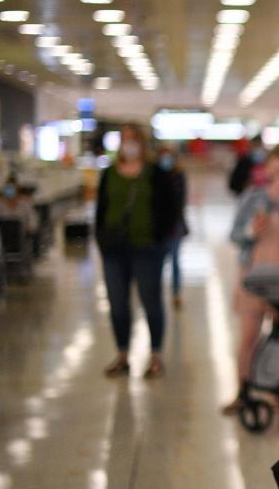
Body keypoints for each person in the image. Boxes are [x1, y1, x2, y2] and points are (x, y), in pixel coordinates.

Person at [224, 146, 279, 413]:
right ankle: (243, 392)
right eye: (273, 172)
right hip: (253, 278)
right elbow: (234, 235)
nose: (278, 178)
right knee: (248, 338)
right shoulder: (252, 197)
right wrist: (250, 231)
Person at [96, 124, 178, 379]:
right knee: (118, 305)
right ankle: (123, 355)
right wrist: (100, 239)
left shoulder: (155, 174)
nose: (128, 144)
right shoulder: (109, 174)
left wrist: (159, 237)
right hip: (114, 250)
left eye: (133, 139)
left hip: (147, 249)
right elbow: (101, 209)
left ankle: (155, 355)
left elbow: (171, 208)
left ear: (142, 144)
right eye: (124, 139)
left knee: (150, 302)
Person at [157, 146, 189, 309]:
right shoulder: (154, 176)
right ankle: (157, 293)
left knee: (175, 260)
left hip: (175, 226)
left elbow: (181, 201)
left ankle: (176, 292)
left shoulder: (179, 176)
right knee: (159, 262)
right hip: (159, 228)